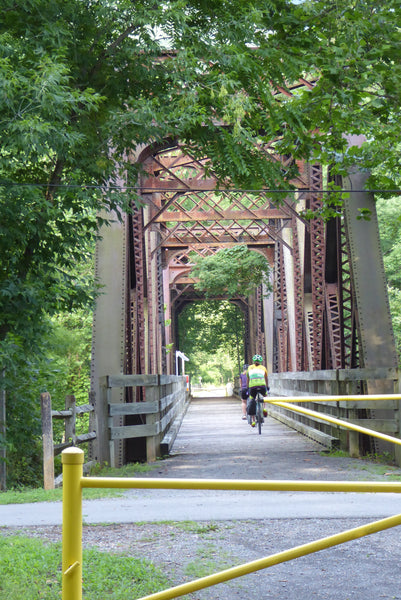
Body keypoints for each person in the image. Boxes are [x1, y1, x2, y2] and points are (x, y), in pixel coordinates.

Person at [246, 354, 269, 427]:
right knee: (265, 395)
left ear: (253, 361)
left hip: (252, 387)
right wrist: (267, 387)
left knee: (252, 400)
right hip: (262, 386)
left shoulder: (250, 368)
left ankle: (253, 421)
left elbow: (248, 378)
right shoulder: (263, 368)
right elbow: (266, 378)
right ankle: (264, 408)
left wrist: (247, 388)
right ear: (261, 361)